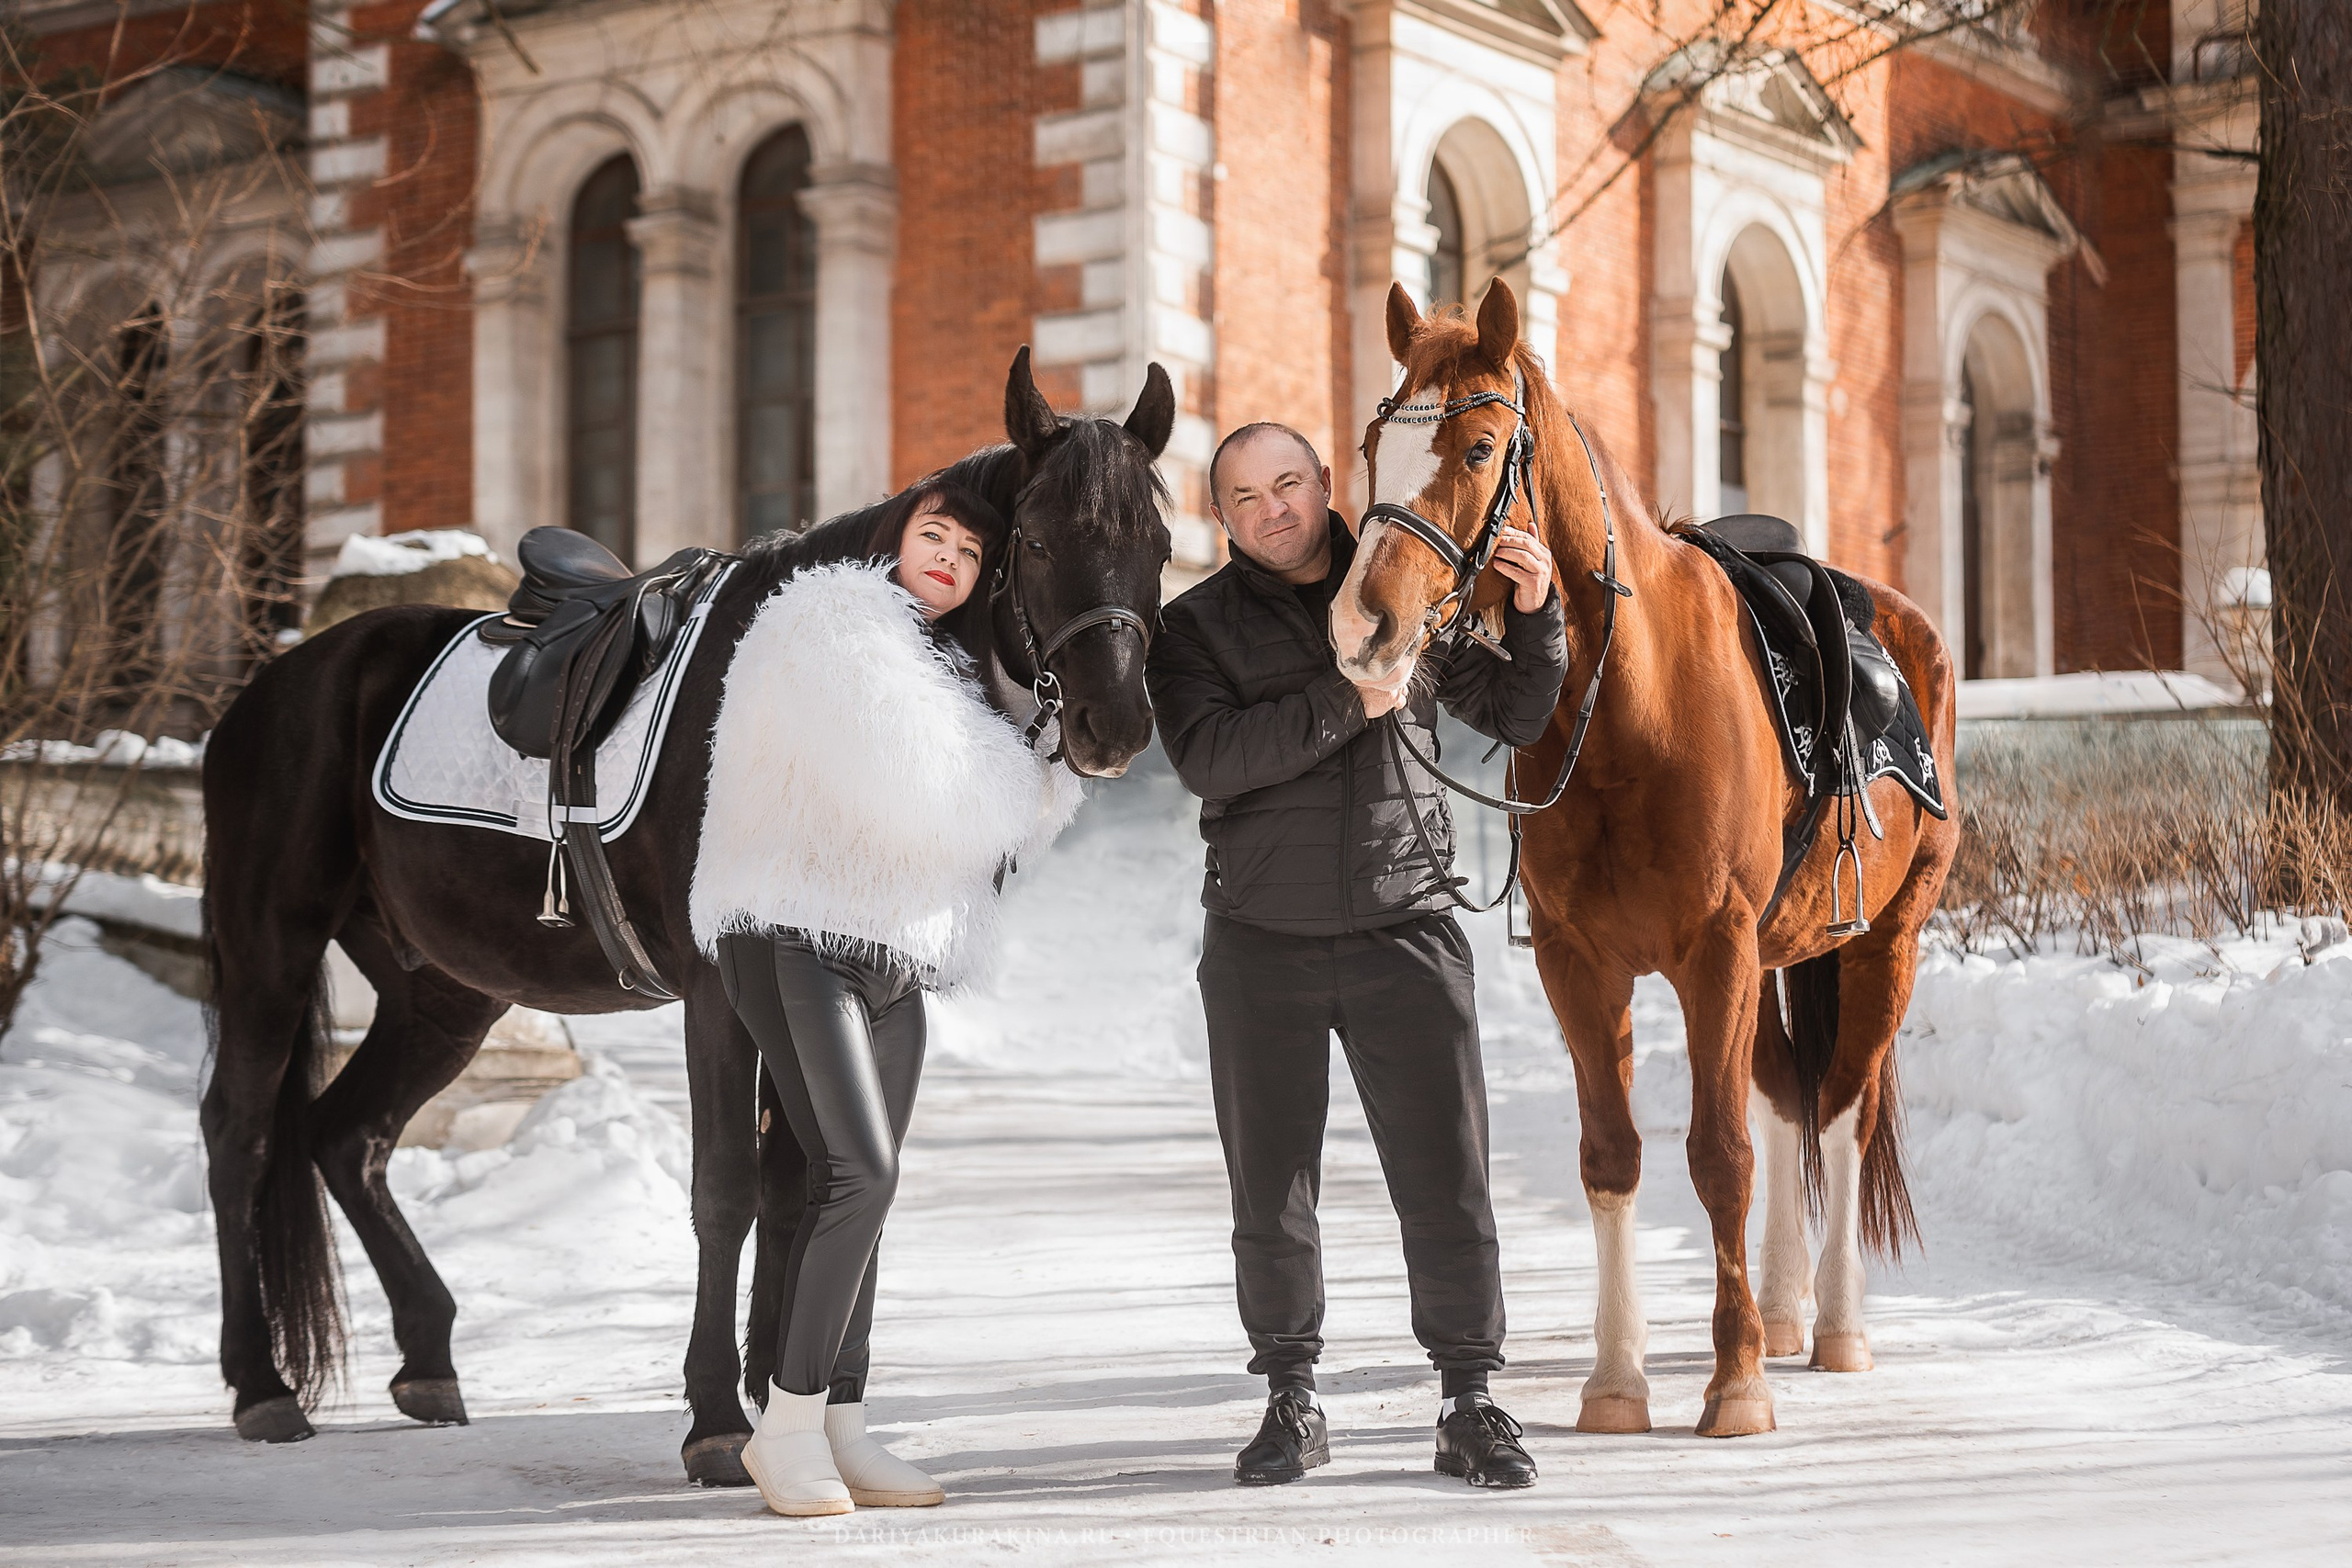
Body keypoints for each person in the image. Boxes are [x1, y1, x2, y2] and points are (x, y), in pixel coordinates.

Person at [1144, 423, 1567, 1489]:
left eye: (1287, 483)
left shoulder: (1408, 586)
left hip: (1406, 927)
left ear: (1327, 483)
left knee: (1445, 1181)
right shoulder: (1192, 629)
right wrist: (1350, 700)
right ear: (1222, 517)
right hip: (1259, 943)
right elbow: (1208, 759)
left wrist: (1537, 611)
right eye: (1244, 497)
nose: (1272, 509)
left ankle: (1468, 1399)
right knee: (1271, 1189)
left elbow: (1516, 711)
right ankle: (1291, 1396)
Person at [691, 481, 1081, 1517]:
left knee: (866, 1183)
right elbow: (929, 790)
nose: (948, 556)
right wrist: (1033, 755)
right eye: (932, 534)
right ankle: (783, 1428)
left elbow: (1013, 833)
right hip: (791, 931)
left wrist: (1043, 754)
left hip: (897, 952)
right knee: (855, 1169)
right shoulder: (828, 620)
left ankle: (841, 1426)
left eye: (968, 549)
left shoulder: (951, 668)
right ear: (893, 538)